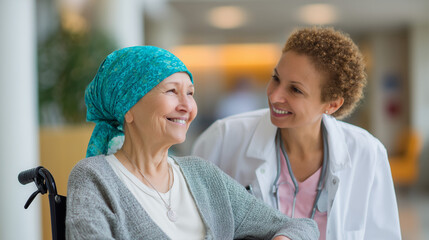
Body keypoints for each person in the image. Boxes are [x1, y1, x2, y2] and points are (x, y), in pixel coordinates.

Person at [65, 46, 319, 240]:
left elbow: (301, 226)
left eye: (190, 93)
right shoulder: (94, 177)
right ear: (127, 108)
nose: (187, 107)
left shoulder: (203, 175)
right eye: (172, 91)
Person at [192, 27, 401, 239]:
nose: (274, 96)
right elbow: (190, 223)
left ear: (332, 104)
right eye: (276, 78)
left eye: (295, 90)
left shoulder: (366, 152)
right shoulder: (225, 137)